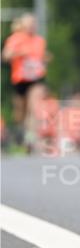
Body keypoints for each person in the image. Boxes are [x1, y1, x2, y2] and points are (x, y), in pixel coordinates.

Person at [1, 13, 49, 149]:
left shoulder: (40, 40)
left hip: (36, 78)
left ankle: (30, 138)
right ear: (23, 26)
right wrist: (20, 52)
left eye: (34, 24)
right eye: (29, 24)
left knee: (34, 107)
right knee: (20, 113)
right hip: (20, 79)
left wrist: (45, 59)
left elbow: (41, 57)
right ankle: (20, 131)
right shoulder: (15, 39)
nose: (32, 27)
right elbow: (5, 56)